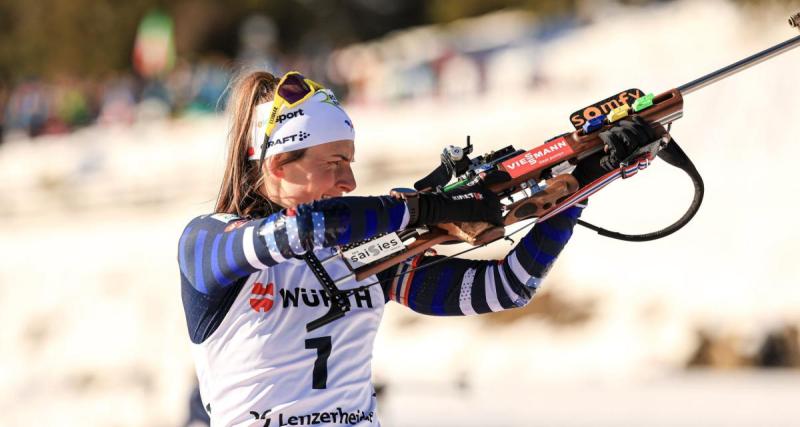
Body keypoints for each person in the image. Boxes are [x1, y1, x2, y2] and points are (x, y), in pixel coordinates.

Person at [177, 70, 657, 426]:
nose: (349, 180)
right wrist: (426, 208)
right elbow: (307, 228)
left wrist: (584, 184)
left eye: (350, 162)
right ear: (281, 163)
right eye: (334, 163)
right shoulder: (209, 241)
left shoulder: (367, 252)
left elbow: (507, 288)